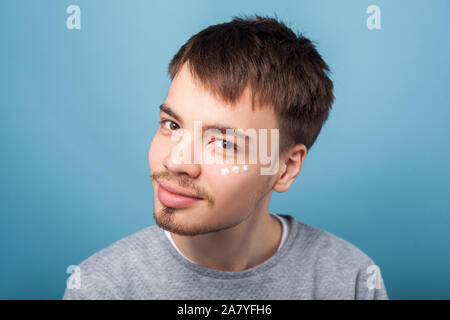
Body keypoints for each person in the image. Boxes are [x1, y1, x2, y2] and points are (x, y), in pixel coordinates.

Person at [63, 14, 389, 300]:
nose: (176, 162)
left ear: (286, 168)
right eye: (172, 124)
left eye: (223, 143)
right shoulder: (101, 287)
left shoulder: (351, 280)